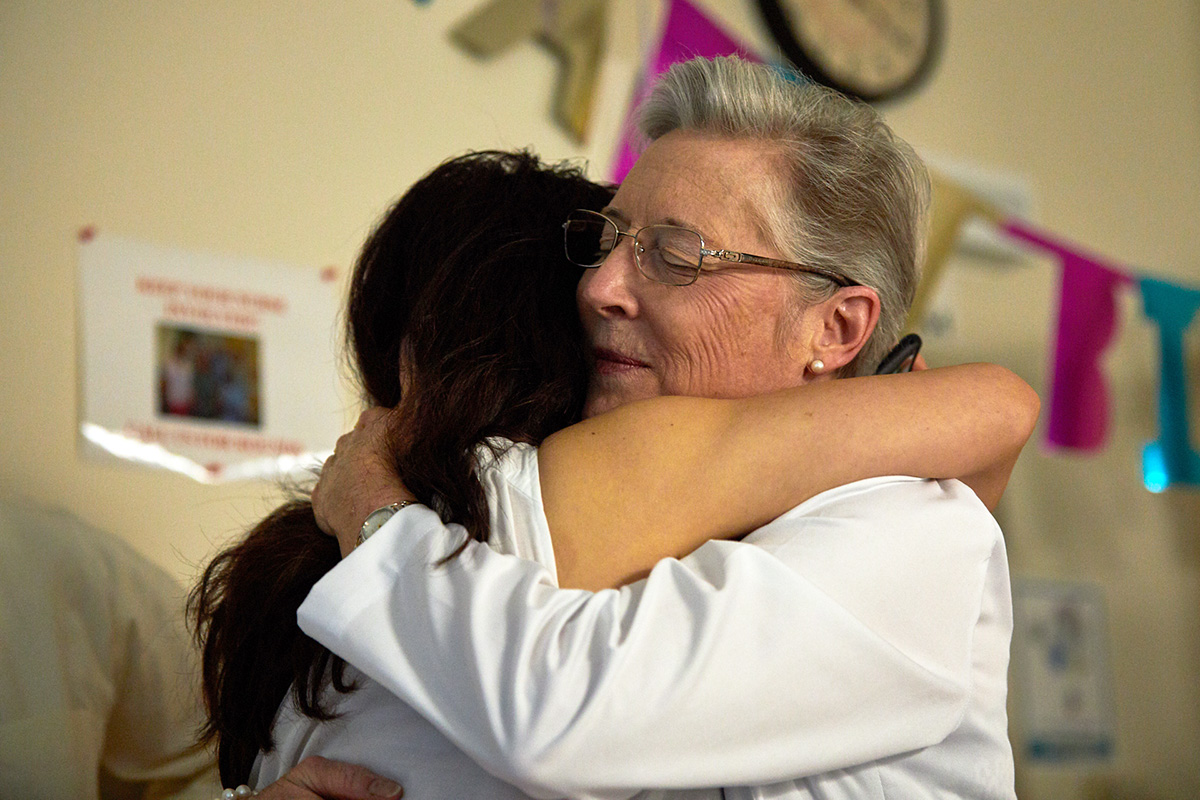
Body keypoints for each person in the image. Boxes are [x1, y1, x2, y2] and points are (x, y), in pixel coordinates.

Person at [289, 56, 1037, 799]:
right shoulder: (556, 503)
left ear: (836, 328)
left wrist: (379, 516)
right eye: (608, 240)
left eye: (675, 255)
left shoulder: (915, 534)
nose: (599, 287)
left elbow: (564, 720)